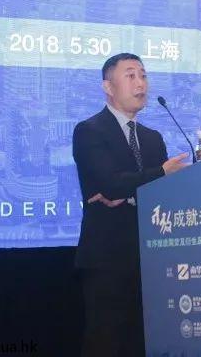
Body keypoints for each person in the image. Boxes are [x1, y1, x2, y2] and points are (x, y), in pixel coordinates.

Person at [72, 53, 188, 356]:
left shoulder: (153, 138)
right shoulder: (90, 130)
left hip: (151, 258)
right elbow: (110, 183)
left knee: (145, 343)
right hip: (108, 258)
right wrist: (158, 173)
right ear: (108, 87)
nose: (141, 83)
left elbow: (156, 192)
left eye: (144, 75)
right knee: (106, 342)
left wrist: (130, 191)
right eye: (131, 75)